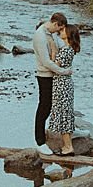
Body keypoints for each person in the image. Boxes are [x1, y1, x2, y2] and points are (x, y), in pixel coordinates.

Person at [32, 11, 71, 155]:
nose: (60, 31)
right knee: (44, 107)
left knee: (54, 105)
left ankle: (56, 133)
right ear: (55, 24)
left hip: (52, 75)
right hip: (44, 75)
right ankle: (40, 142)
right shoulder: (40, 36)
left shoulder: (49, 33)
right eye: (59, 29)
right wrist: (64, 71)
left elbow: (59, 47)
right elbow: (46, 61)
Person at [48, 23, 82, 155]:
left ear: (68, 34)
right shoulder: (69, 49)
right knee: (65, 113)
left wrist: (51, 52)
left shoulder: (66, 50)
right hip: (64, 83)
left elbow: (54, 65)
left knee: (63, 115)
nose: (60, 32)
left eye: (63, 30)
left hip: (62, 84)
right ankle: (66, 146)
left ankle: (68, 147)